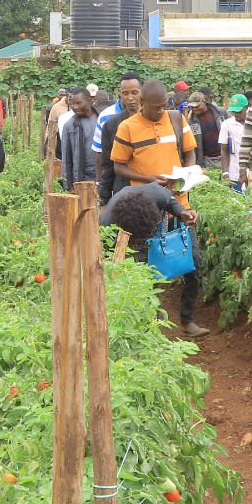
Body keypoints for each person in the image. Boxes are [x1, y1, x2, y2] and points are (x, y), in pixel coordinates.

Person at [111, 79, 204, 336]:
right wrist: (151, 180)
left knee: (193, 261)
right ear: (142, 104)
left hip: (179, 202)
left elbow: (190, 153)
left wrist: (186, 173)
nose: (161, 111)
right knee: (147, 266)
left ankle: (188, 320)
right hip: (145, 207)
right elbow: (118, 166)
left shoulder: (176, 119)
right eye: (155, 108)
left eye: (164, 106)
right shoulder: (127, 127)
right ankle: (151, 325)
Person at [101, 181, 203, 336]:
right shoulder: (107, 225)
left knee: (192, 261)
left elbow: (171, 201)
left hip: (148, 231)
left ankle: (182, 320)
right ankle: (147, 328)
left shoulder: (157, 193)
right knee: (138, 278)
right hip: (122, 243)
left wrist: (182, 213)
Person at [94, 73, 144, 203]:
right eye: (125, 93)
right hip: (123, 190)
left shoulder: (153, 120)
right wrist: (104, 198)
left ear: (142, 92)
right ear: (120, 94)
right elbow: (107, 165)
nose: (130, 98)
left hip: (150, 186)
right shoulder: (111, 125)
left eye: (134, 92)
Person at [58, 88, 100, 192]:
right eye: (72, 104)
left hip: (101, 177)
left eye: (78, 103)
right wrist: (68, 186)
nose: (75, 107)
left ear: (90, 101)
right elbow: (66, 159)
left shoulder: (102, 120)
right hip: (82, 179)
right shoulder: (69, 126)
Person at [219, 94, 248, 192]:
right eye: (234, 111)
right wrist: (225, 173)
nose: (236, 114)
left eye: (239, 111)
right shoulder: (227, 125)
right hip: (234, 174)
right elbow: (224, 150)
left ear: (246, 108)